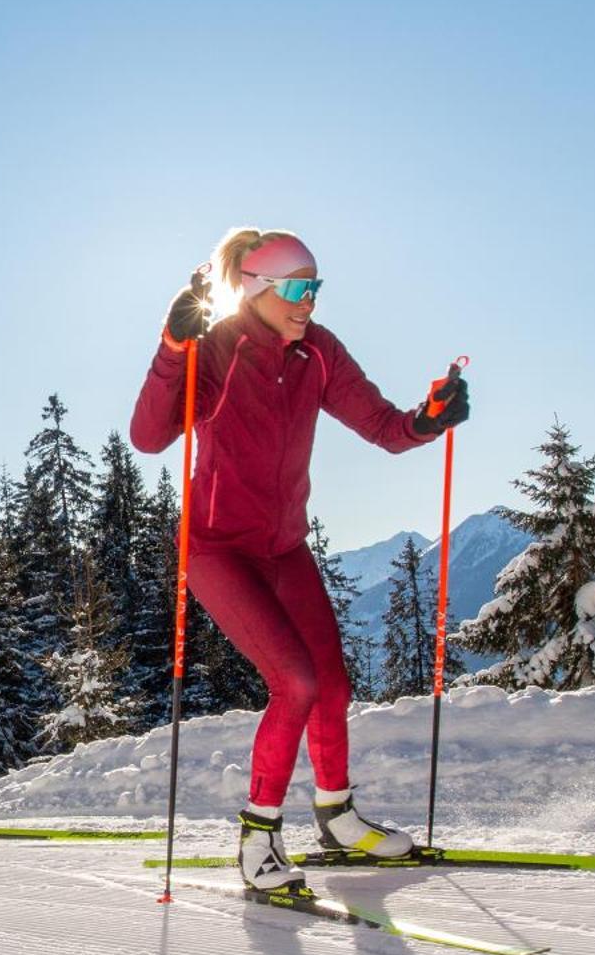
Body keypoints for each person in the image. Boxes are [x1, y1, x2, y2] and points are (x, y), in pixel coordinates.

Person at [130, 229, 469, 892]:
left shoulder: (318, 353)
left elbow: (381, 425)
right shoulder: (217, 347)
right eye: (294, 287)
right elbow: (148, 436)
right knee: (297, 684)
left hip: (283, 548)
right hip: (217, 550)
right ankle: (257, 841)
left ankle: (338, 816)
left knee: (334, 686)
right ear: (255, 288)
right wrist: (173, 347)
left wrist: (428, 419)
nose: (307, 300)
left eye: (314, 286)